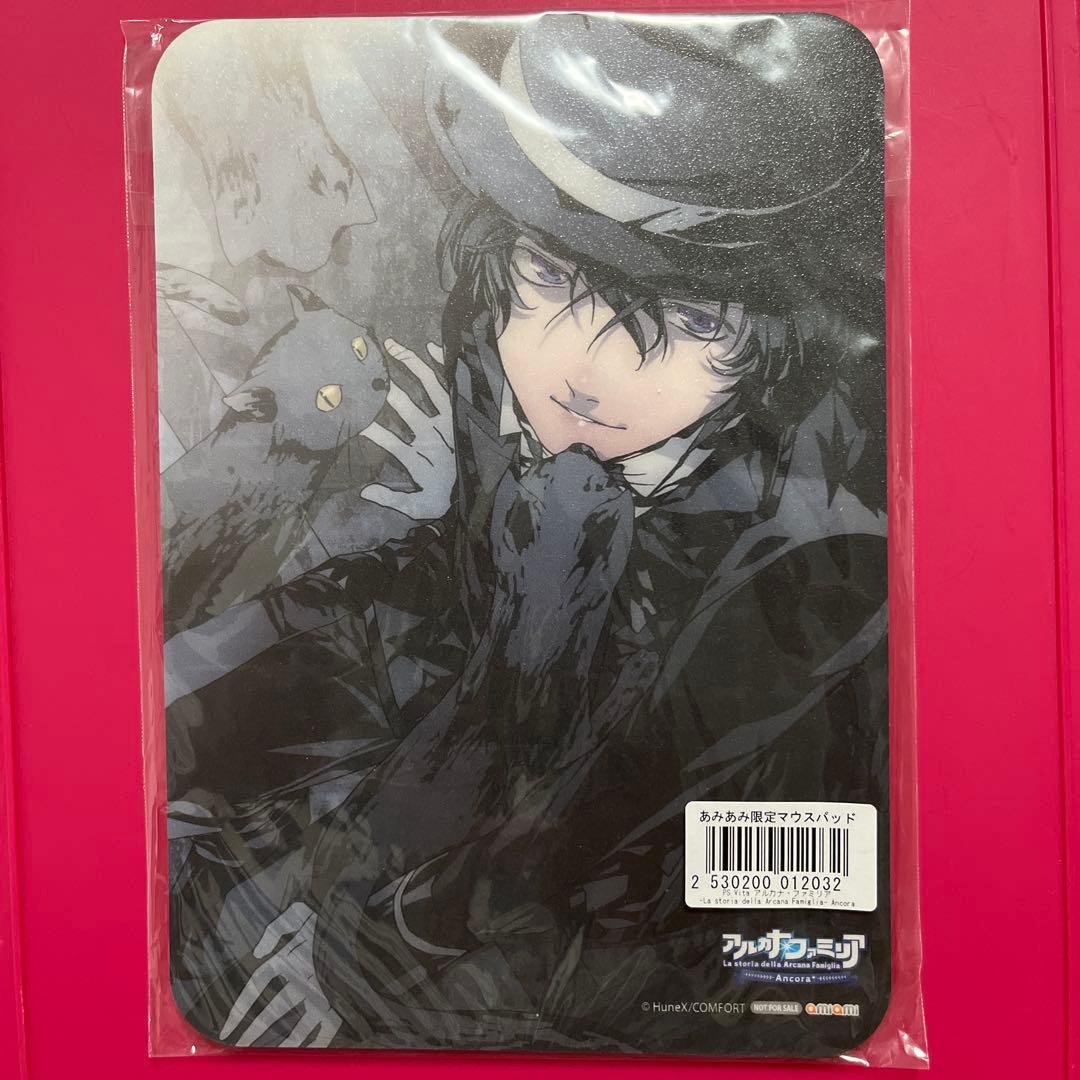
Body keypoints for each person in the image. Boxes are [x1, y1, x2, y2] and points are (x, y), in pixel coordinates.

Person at [165, 12, 888, 1056]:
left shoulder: (801, 563)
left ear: (770, 347)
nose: (580, 373)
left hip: (632, 904)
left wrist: (350, 943)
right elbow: (461, 595)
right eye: (547, 279)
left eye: (690, 325)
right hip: (468, 744)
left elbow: (593, 808)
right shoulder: (498, 363)